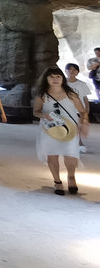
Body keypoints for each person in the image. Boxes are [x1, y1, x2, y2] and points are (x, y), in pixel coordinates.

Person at [33, 66, 89, 195]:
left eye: (58, 76)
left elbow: (82, 111)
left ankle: (71, 177)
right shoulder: (42, 95)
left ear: (62, 78)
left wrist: (84, 123)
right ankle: (57, 181)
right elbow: (36, 112)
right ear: (46, 79)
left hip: (70, 128)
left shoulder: (70, 94)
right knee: (52, 154)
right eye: (51, 77)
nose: (55, 79)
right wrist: (43, 115)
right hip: (50, 129)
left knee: (71, 154)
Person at [65, 63, 92, 154]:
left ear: (77, 72)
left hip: (78, 109)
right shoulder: (62, 83)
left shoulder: (82, 84)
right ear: (66, 71)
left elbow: (85, 99)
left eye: (74, 70)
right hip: (65, 109)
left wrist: (86, 110)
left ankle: (79, 143)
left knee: (78, 127)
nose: (71, 71)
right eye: (69, 69)